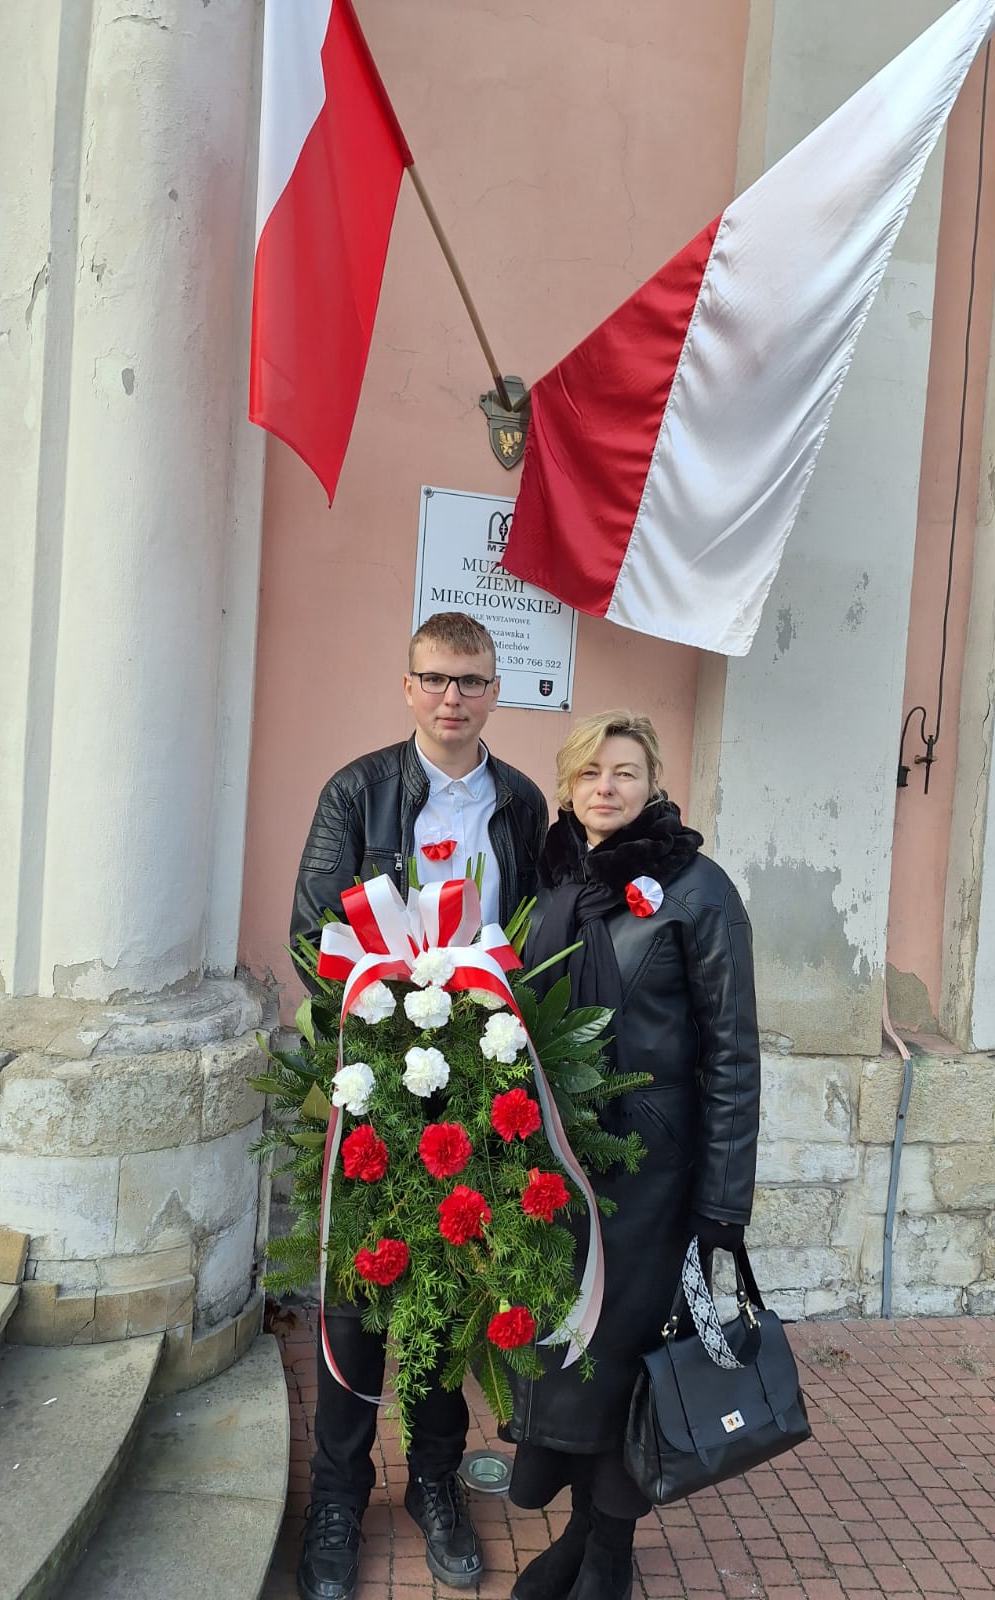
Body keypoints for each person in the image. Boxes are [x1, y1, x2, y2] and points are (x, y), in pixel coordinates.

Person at [290, 611, 549, 1600]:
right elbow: (315, 931)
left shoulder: (520, 805)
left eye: (472, 680)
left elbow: (538, 935)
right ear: (408, 688)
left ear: (494, 690)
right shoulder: (358, 792)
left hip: (484, 1080)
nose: (453, 696)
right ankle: (338, 1496)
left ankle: (435, 1480)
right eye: (436, 678)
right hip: (378, 1080)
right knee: (362, 1288)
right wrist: (387, 1036)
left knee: (449, 1279)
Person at [506, 710, 761, 1600]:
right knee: (570, 1363)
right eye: (588, 774)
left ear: (653, 780)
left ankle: (606, 1553)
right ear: (569, 785)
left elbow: (733, 1054)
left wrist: (723, 1206)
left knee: (628, 1366)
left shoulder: (698, 890)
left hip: (652, 1179)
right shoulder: (551, 884)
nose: (604, 788)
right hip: (555, 1174)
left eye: (624, 772)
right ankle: (583, 1532)